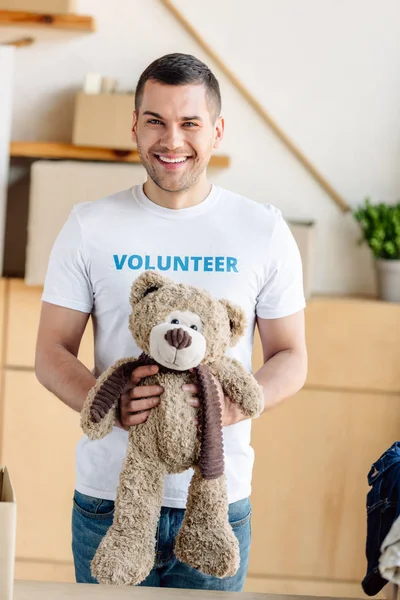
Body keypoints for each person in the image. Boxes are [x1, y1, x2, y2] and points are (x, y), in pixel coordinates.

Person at [35, 52, 308, 592]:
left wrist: (228, 405)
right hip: (107, 501)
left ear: (217, 130)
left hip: (217, 502)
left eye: (190, 123)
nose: (172, 140)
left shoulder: (263, 230)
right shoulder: (90, 226)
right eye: (156, 121)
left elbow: (291, 356)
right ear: (135, 125)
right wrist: (106, 401)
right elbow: (50, 352)